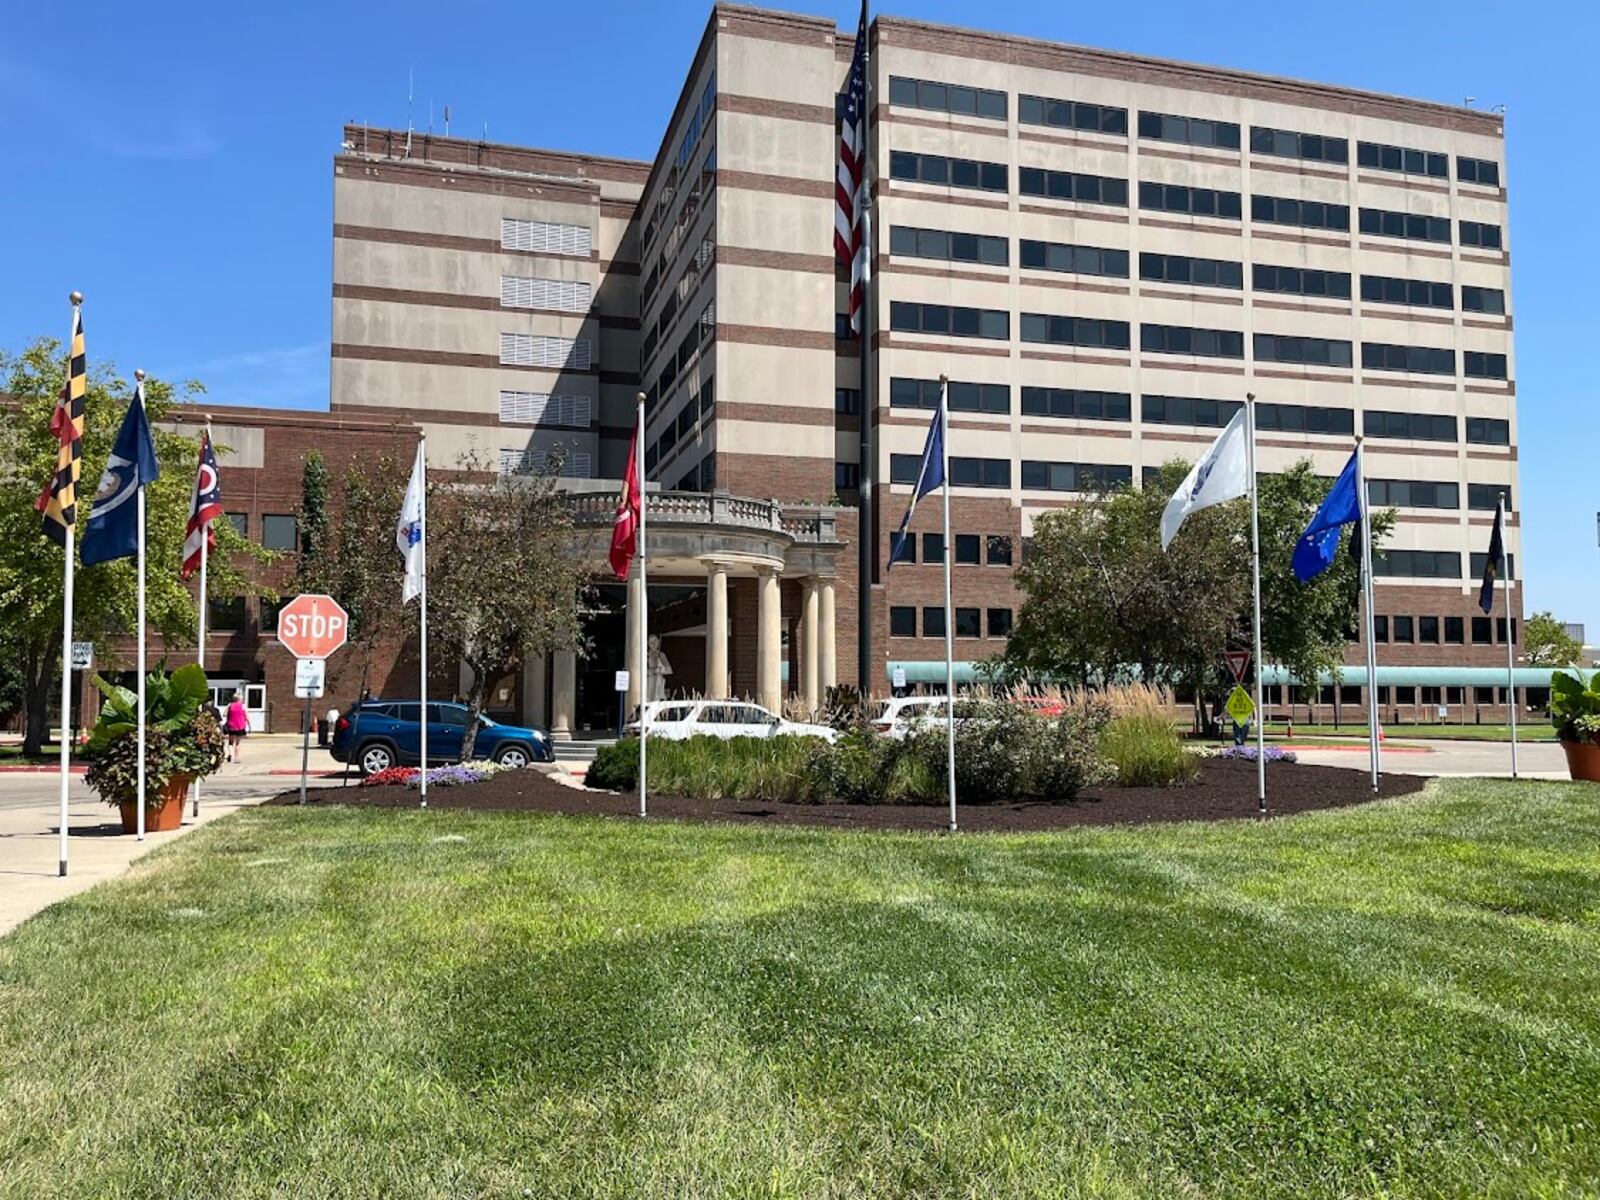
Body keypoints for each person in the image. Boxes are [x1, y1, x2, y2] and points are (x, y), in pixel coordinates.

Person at [224, 691, 249, 763]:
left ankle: (230, 754)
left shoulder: (229, 705)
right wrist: (249, 725)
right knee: (238, 743)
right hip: (240, 726)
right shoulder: (243, 706)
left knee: (230, 742)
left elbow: (224, 714)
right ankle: (236, 758)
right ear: (239, 699)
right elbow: (246, 717)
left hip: (231, 726)